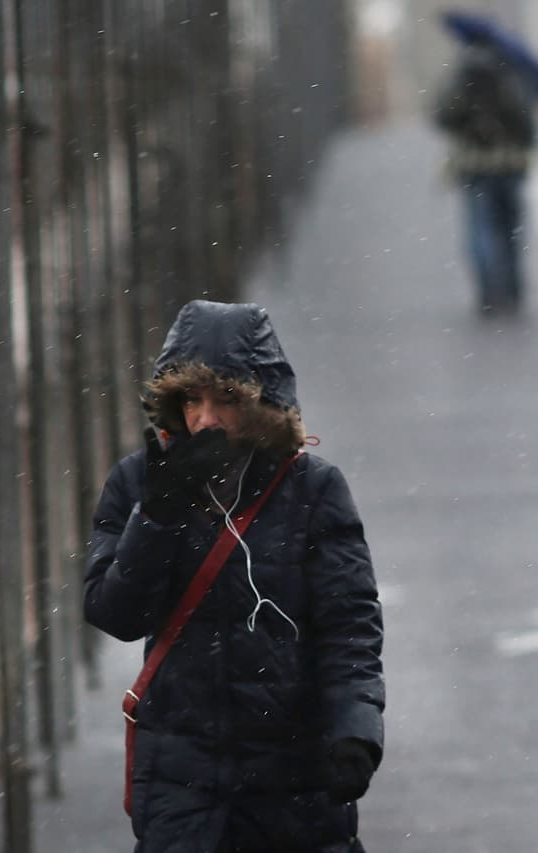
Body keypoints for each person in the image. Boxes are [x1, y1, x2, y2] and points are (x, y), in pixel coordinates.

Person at [84, 299, 384, 853]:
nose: (206, 418)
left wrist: (355, 727)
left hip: (291, 772)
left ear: (260, 404)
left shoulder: (312, 489)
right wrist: (157, 517)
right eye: (191, 400)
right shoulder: (139, 481)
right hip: (182, 776)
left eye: (226, 399)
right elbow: (115, 613)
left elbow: (348, 624)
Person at [432, 25, 538, 314]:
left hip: (473, 164)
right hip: (510, 163)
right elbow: (526, 120)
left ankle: (488, 292)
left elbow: (441, 115)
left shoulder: (462, 73)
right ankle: (513, 289)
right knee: (510, 229)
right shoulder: (510, 71)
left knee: (480, 229)